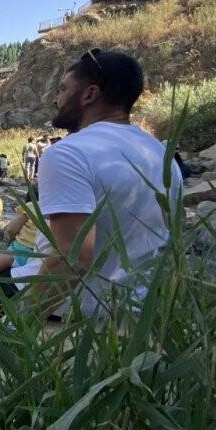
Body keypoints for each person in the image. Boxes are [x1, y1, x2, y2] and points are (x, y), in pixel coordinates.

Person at [32, 48, 183, 318]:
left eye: (63, 89)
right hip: (138, 308)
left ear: (89, 94)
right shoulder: (162, 155)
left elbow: (74, 258)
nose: (57, 99)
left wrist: (20, 321)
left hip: (72, 312)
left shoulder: (68, 153)